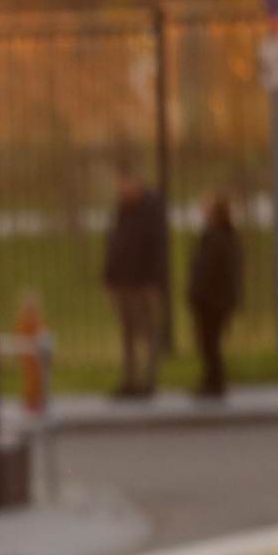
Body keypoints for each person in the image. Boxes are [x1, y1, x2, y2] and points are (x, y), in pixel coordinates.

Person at [103, 164, 171, 398]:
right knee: (128, 334)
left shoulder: (152, 207)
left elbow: (158, 248)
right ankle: (130, 381)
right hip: (123, 281)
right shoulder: (122, 207)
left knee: (147, 333)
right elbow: (113, 243)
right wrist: (109, 279)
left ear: (134, 181)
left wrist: (154, 281)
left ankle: (148, 381)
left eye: (122, 184)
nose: (119, 189)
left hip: (144, 282)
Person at [187, 192, 243, 400]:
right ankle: (211, 381)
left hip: (212, 301)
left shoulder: (217, 237)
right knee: (207, 343)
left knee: (210, 343)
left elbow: (209, 271)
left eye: (205, 208)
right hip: (212, 300)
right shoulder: (218, 235)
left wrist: (198, 293)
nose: (202, 211)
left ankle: (215, 383)